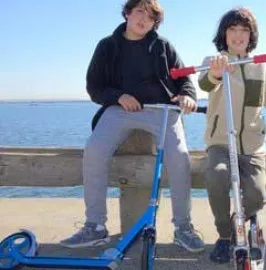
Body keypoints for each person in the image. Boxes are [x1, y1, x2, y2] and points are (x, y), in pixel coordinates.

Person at [59, 0, 205, 253]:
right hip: (120, 109)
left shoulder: (162, 46)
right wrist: (118, 96)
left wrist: (188, 97)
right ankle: (95, 227)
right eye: (139, 11)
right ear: (127, 13)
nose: (143, 20)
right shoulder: (107, 46)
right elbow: (95, 87)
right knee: (93, 151)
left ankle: (183, 228)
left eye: (150, 17)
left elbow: (185, 81)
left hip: (163, 111)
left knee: (180, 158)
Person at [197, 7, 266, 264]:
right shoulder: (214, 61)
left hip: (253, 145)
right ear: (224, 34)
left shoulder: (260, 68)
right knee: (217, 177)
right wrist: (217, 73)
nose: (238, 35)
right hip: (220, 141)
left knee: (258, 194)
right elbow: (205, 83)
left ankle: (243, 220)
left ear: (251, 36)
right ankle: (225, 236)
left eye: (244, 30)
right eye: (233, 29)